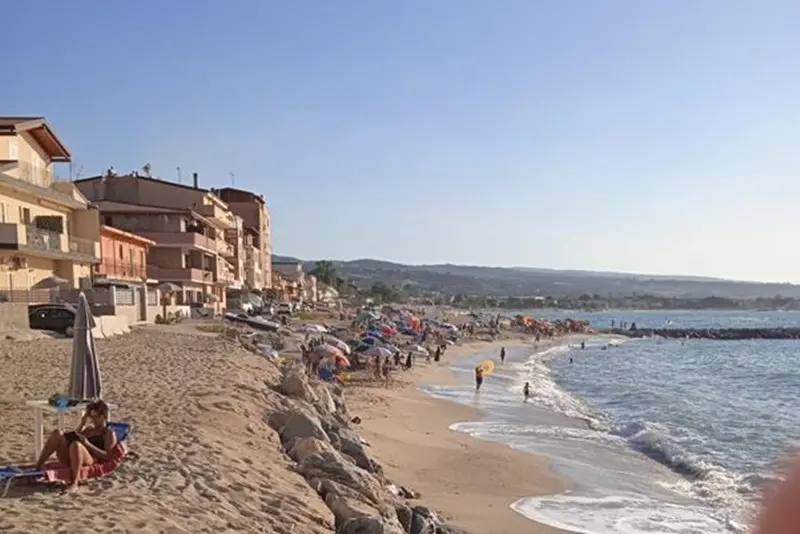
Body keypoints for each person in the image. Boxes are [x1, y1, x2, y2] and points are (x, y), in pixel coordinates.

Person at [33, 400, 117, 492]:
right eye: (91, 417)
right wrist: (82, 424)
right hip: (73, 456)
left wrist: (88, 445)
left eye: (95, 417)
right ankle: (38, 466)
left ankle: (74, 483)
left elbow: (108, 456)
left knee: (76, 445)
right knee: (57, 434)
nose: (93, 420)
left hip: (91, 459)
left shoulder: (109, 433)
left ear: (102, 417)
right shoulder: (89, 430)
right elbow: (75, 436)